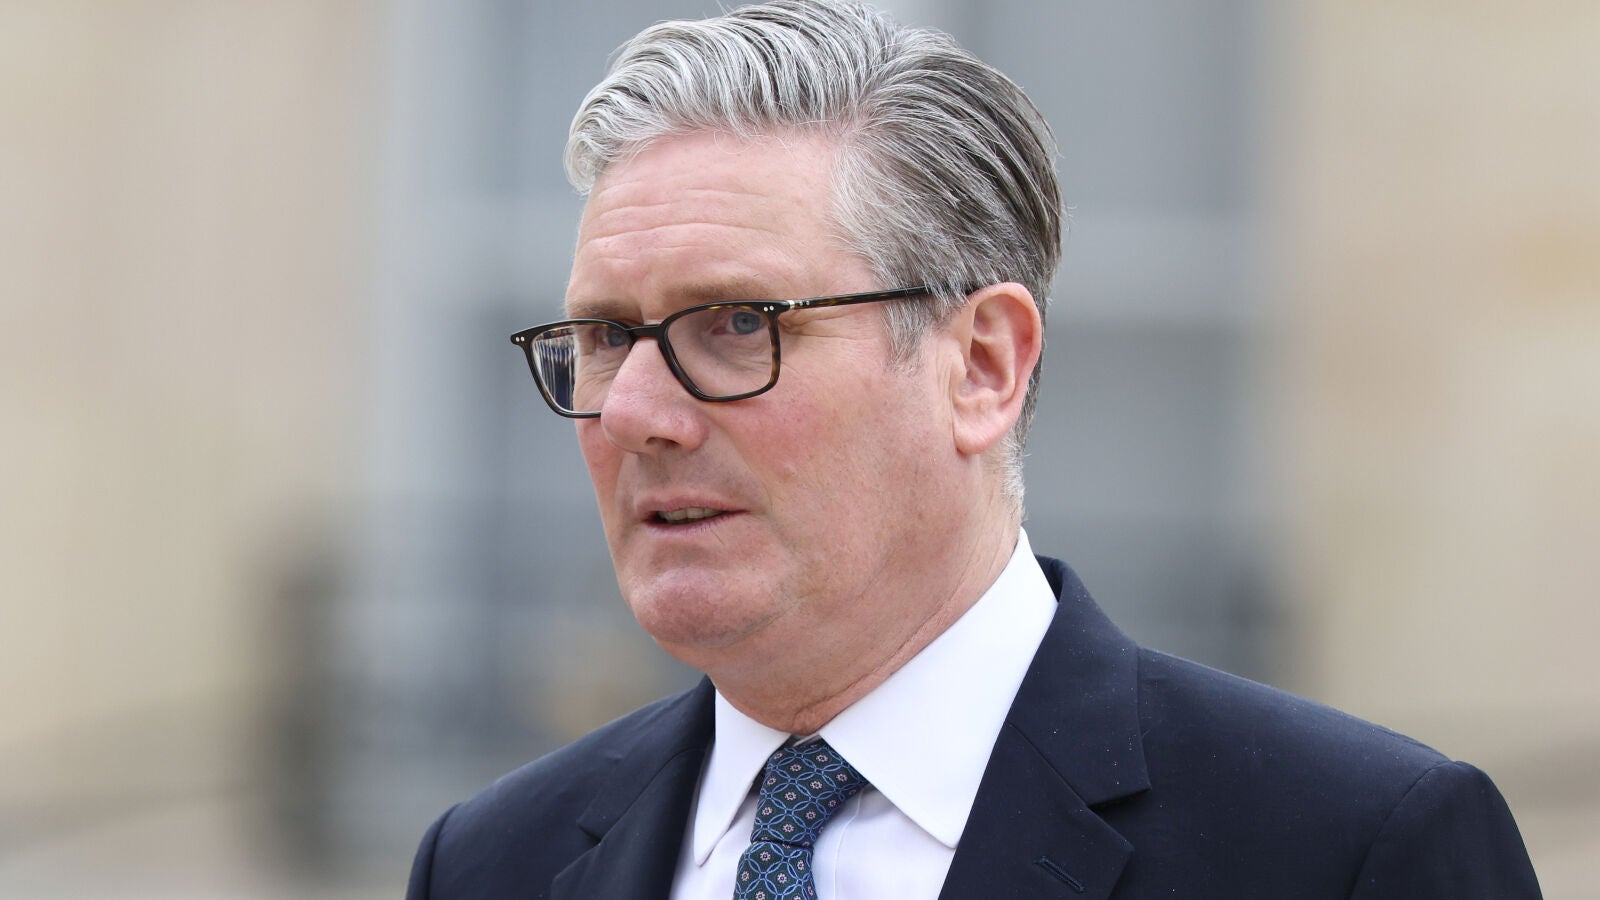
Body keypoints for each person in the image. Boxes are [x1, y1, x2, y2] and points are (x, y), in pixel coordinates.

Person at [406, 1, 1542, 897]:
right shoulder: (490, 864)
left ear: (983, 366)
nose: (635, 414)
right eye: (607, 338)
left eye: (739, 323)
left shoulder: (1344, 848)